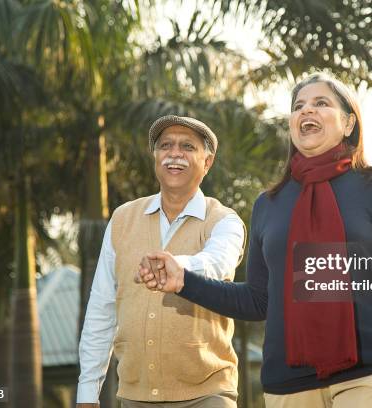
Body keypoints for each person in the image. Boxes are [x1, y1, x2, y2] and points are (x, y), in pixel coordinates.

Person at [140, 73, 372, 408]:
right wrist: (183, 281)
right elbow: (257, 300)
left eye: (320, 103)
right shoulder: (269, 204)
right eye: (298, 106)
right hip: (288, 386)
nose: (306, 111)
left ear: (349, 123)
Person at [76, 115, 246, 408]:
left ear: (207, 162)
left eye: (187, 146)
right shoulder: (122, 219)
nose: (174, 153)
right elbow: (101, 309)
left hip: (208, 395)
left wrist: (178, 268)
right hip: (133, 397)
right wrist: (87, 395)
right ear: (155, 157)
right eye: (165, 145)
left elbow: (219, 263)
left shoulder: (224, 220)